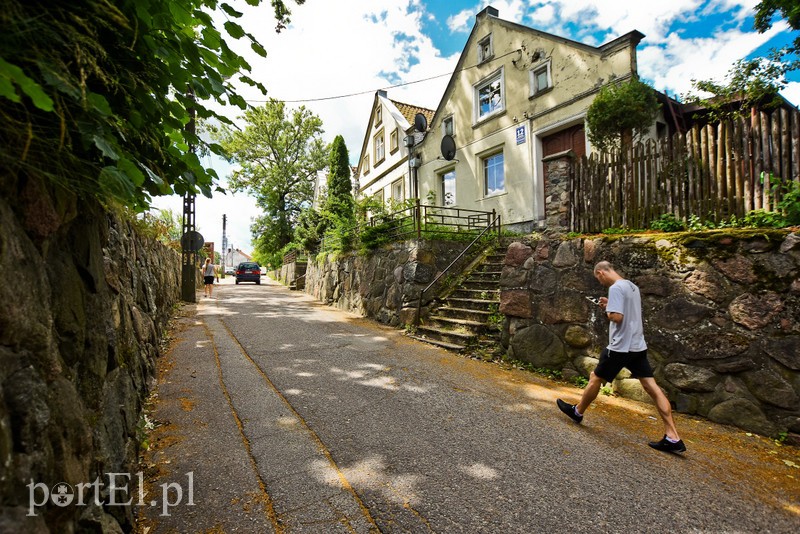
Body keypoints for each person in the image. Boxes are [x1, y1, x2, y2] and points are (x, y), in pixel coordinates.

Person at [556, 261, 686, 453]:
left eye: (598, 277)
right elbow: (628, 312)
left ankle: (577, 412)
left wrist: (608, 309)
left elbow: (617, 317)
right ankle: (673, 436)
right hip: (637, 345)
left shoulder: (616, 288)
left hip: (620, 347)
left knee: (595, 377)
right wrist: (611, 305)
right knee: (652, 388)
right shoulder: (631, 286)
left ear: (601, 272)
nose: (600, 281)